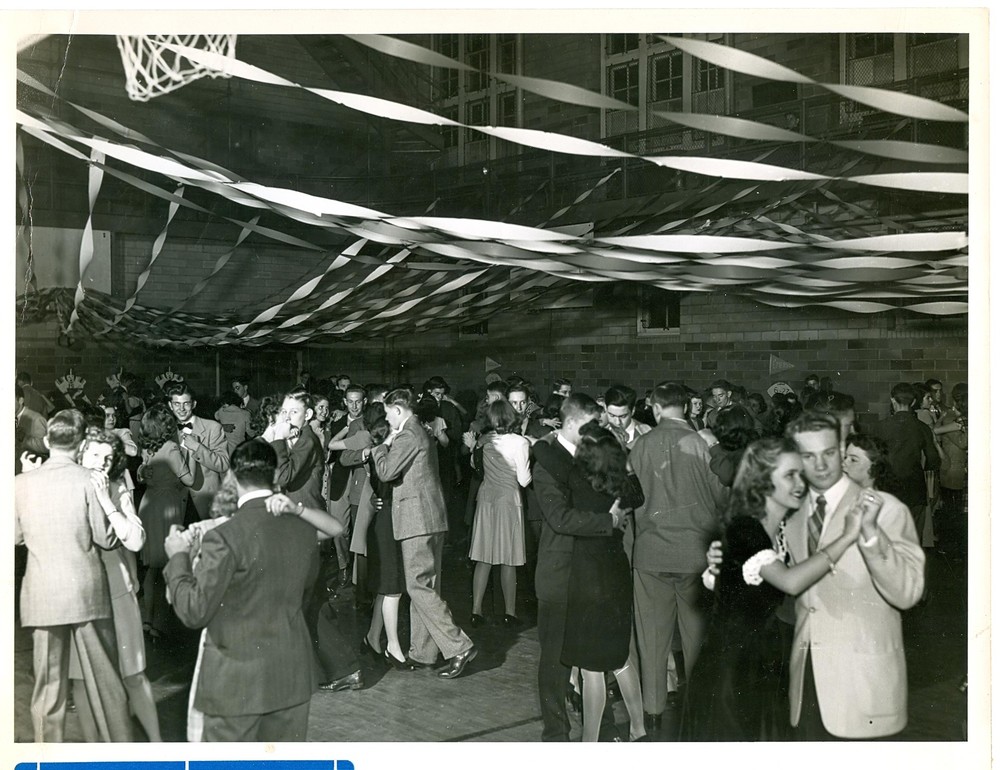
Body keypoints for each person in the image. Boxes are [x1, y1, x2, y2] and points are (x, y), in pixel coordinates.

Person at [682, 438, 865, 741]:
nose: (800, 483)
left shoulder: (781, 527)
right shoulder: (746, 528)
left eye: (801, 474)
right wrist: (846, 538)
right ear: (763, 482)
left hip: (762, 662)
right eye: (790, 475)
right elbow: (790, 581)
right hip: (732, 669)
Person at [164, 440, 320, 742]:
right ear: (274, 476)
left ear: (233, 477)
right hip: (291, 677)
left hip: (235, 683)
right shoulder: (302, 529)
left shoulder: (224, 537)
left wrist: (178, 558)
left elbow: (194, 611)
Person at [784, 411, 925, 738]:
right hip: (806, 678)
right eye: (808, 456)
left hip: (862, 680)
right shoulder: (792, 512)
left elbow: (907, 593)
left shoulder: (887, 509)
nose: (821, 465)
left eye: (829, 453)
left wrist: (872, 536)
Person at [14, 409, 132, 742]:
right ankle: (122, 753)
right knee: (107, 684)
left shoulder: (19, 483)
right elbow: (106, 539)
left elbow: (15, 537)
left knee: (48, 687)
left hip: (42, 595)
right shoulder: (90, 480)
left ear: (47, 440)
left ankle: (45, 755)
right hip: (87, 593)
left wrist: (27, 481)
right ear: (80, 445)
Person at [629, 382, 728, 731]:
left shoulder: (640, 445)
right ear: (686, 407)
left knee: (652, 638)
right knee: (697, 637)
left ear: (655, 408)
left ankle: (652, 712)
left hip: (651, 554)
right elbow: (723, 497)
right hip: (696, 556)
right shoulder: (702, 444)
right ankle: (699, 710)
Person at [532, 393, 624, 741]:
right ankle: (556, 733)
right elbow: (559, 518)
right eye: (589, 425)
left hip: (592, 572)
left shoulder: (590, 455)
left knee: (593, 657)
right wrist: (607, 521)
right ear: (570, 423)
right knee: (555, 660)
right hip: (561, 572)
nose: (595, 431)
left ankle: (603, 728)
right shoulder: (548, 461)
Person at [369, 388, 477, 678]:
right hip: (430, 519)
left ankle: (459, 646)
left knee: (418, 586)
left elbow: (386, 472)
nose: (387, 418)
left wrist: (381, 446)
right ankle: (423, 652)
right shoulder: (422, 431)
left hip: (416, 520)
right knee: (426, 585)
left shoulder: (407, 435)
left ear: (398, 410)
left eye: (388, 413)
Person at [74, 428, 162, 741]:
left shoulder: (116, 488)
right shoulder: (65, 486)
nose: (101, 462)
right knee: (81, 681)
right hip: (78, 596)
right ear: (80, 453)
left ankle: (157, 745)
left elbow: (136, 541)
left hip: (115, 591)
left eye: (108, 458)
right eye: (95, 454)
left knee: (133, 675)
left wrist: (105, 501)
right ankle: (94, 752)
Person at [562, 422, 648, 742]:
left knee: (591, 668)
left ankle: (590, 743)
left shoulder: (578, 480)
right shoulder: (620, 483)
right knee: (620, 657)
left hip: (588, 574)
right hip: (616, 571)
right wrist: (624, 459)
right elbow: (638, 496)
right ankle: (639, 730)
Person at [466, 399, 532, 627]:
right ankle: (509, 613)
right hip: (508, 501)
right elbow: (524, 480)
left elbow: (475, 466)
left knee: (483, 558)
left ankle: (476, 611)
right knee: (508, 558)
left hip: (486, 499)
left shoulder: (485, 439)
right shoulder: (520, 442)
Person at [136, 403, 196, 639]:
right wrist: (192, 455)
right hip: (167, 506)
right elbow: (189, 480)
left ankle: (148, 620)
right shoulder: (171, 448)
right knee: (167, 564)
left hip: (149, 504)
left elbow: (143, 474)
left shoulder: (147, 448)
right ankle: (161, 624)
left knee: (152, 567)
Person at [166, 382, 230, 521]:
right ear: (170, 405)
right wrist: (142, 471)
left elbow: (224, 464)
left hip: (204, 501)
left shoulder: (213, 427)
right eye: (177, 404)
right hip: (175, 503)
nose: (181, 409)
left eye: (186, 403)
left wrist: (198, 447)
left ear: (194, 404)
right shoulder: (166, 429)